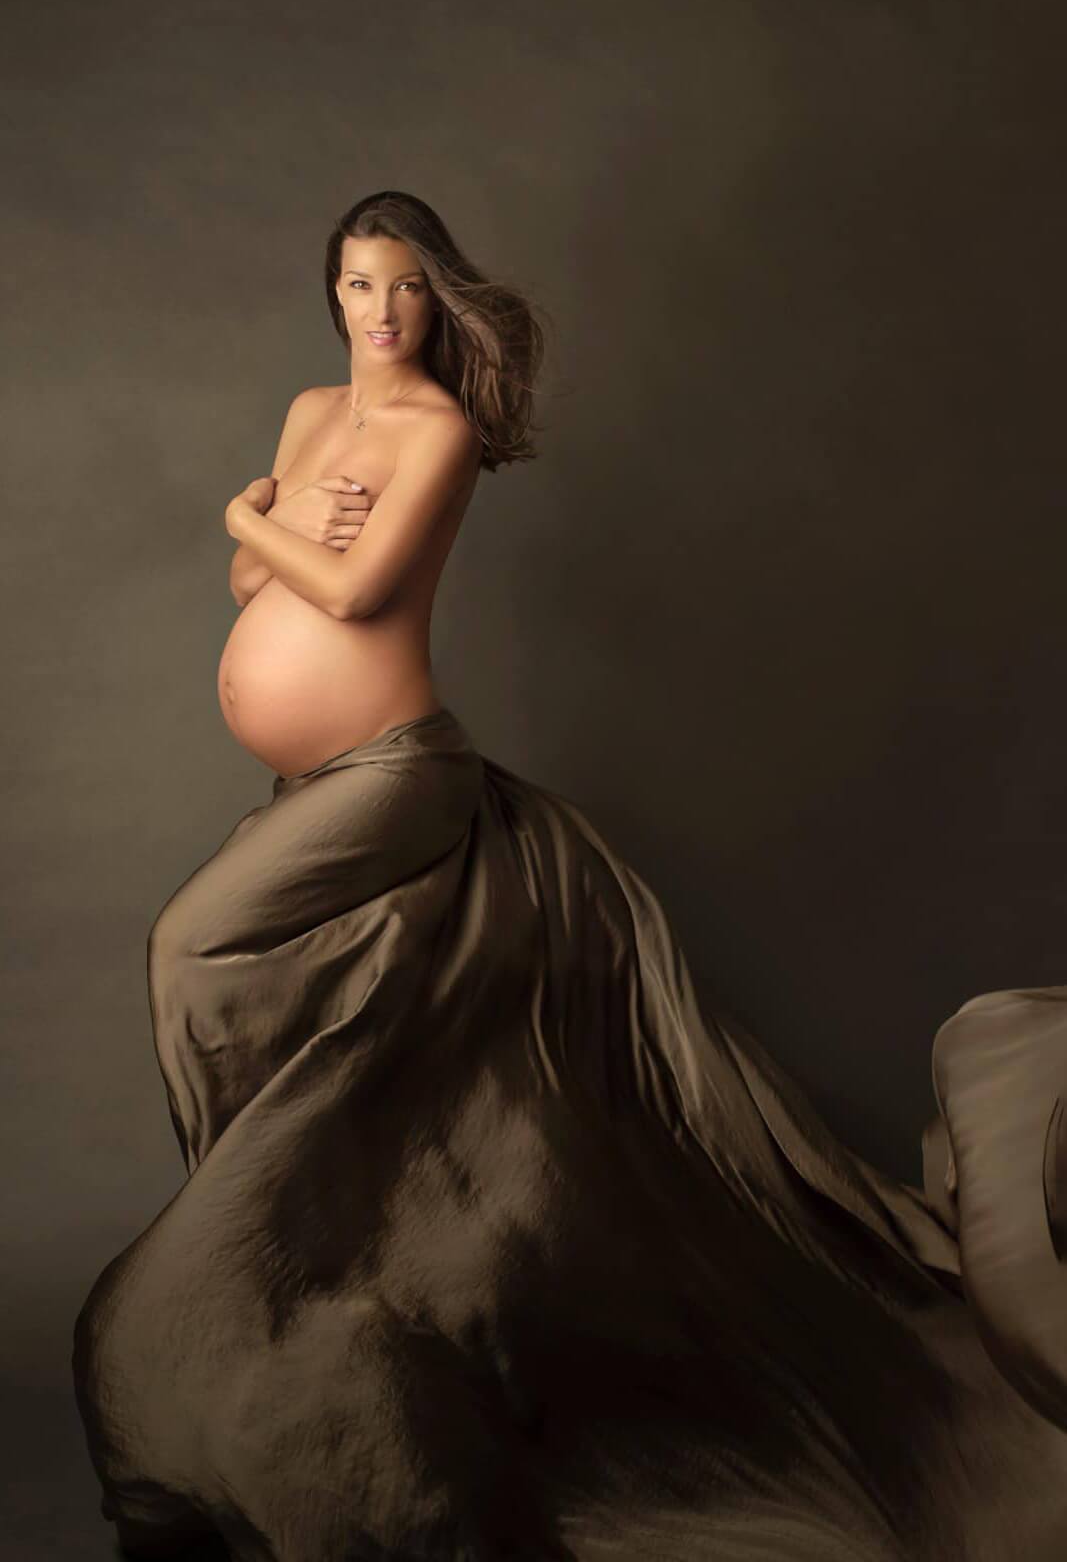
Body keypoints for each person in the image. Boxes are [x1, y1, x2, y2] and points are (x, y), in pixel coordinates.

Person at [72, 191, 1067, 1562]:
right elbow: (268, 594)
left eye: (406, 288)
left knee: (195, 947)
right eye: (358, 286)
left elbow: (352, 600)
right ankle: (286, 1269)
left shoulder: (439, 431)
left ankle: (254, 1258)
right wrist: (283, 517)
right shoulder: (314, 417)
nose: (380, 313)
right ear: (333, 294)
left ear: (439, 299)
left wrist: (244, 511)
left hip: (393, 772)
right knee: (267, 1004)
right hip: (304, 781)